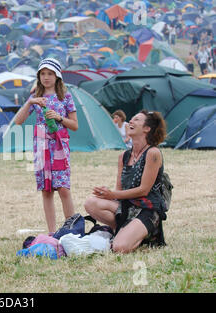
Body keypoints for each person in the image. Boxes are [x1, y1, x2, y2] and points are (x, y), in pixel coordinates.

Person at [84, 110, 167, 253]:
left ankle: (145, 234)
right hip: (127, 207)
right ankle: (128, 230)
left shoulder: (153, 153)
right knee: (90, 203)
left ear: (147, 129)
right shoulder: (123, 156)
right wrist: (108, 193)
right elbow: (120, 190)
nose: (131, 122)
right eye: (131, 119)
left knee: (119, 247)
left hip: (147, 209)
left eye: (137, 120)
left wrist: (112, 194)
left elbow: (144, 190)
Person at [13, 58, 79, 234]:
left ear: (57, 76)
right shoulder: (35, 97)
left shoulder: (65, 97)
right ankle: (51, 232)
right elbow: (18, 122)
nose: (46, 77)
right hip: (41, 146)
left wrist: (59, 117)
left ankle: (70, 230)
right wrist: (29, 103)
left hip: (59, 144)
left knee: (63, 188)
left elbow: (74, 125)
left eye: (50, 74)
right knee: (46, 190)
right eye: (43, 74)